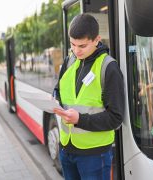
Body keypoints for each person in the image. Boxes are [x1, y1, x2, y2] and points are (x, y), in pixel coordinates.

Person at [52, 13, 125, 180]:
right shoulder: (69, 61)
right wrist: (54, 99)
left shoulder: (109, 68)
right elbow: (58, 90)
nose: (76, 51)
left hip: (94, 155)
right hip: (66, 149)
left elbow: (115, 118)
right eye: (72, 44)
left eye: (82, 46)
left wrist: (79, 119)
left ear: (97, 39)